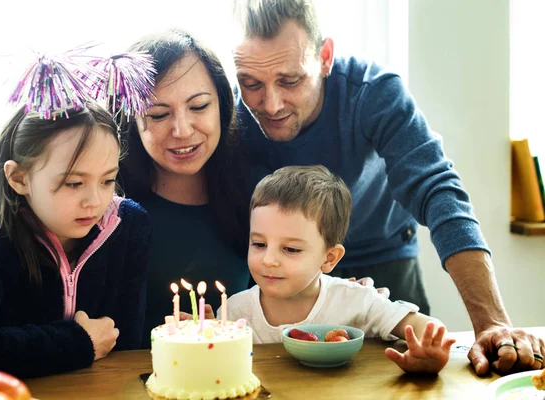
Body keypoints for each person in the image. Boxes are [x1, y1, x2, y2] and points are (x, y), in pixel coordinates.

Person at [230, 0, 545, 375]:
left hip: (384, 257)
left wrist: (491, 321)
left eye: (290, 80)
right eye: (250, 83)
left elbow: (437, 189)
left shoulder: (372, 92)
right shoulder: (232, 115)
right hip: (284, 272)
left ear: (325, 57)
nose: (270, 104)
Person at [0, 67, 152, 384]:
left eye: (108, 180)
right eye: (73, 184)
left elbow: (123, 346)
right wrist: (75, 343)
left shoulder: (130, 227)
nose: (94, 201)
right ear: (19, 178)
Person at [219, 165, 455, 374]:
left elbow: (427, 329)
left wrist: (429, 354)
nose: (268, 260)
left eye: (290, 249)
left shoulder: (355, 299)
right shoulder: (233, 312)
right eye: (259, 244)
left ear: (329, 258)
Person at [116, 29, 252, 343]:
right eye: (159, 114)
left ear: (222, 105)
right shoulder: (105, 198)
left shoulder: (256, 190)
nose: (182, 129)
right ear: (133, 120)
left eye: (199, 107)